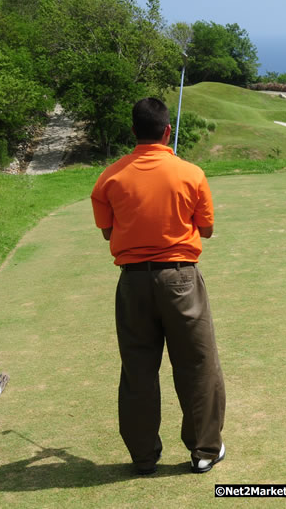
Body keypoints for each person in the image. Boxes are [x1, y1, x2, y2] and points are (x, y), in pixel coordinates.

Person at [90, 98, 226, 475]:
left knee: (138, 369)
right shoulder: (191, 173)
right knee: (197, 365)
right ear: (167, 131)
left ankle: (143, 457)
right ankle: (203, 451)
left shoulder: (109, 177)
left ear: (133, 132)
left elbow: (107, 232)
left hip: (133, 283)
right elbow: (208, 229)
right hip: (181, 277)